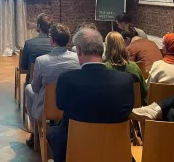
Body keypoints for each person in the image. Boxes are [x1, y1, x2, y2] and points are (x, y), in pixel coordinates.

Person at [47, 28, 134, 162]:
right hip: (114, 150)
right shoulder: (126, 80)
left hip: (75, 149)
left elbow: (60, 105)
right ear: (102, 49)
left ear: (78, 50)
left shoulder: (67, 79)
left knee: (52, 132)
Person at [25, 23, 80, 148]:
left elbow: (35, 88)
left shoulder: (41, 61)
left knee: (28, 88)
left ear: (52, 40)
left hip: (46, 108)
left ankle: (35, 133)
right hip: (70, 107)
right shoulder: (78, 59)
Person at [104, 31, 147, 104]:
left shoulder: (104, 68)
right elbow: (144, 92)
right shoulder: (134, 67)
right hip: (134, 108)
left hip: (112, 108)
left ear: (107, 47)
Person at [21, 13, 53, 82]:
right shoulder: (56, 45)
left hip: (33, 84)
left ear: (38, 26)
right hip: (53, 85)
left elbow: (24, 67)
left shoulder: (29, 44)